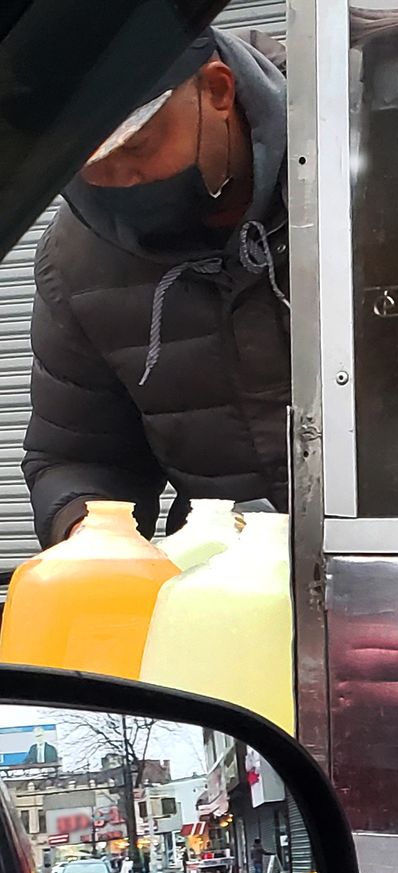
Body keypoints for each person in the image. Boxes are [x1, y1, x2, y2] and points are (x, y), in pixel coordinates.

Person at [22, 28, 290, 548]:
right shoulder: (78, 259)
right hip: (227, 587)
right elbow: (81, 455)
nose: (117, 178)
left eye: (137, 146)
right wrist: (87, 530)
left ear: (217, 91)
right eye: (85, 165)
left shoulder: (364, 155)